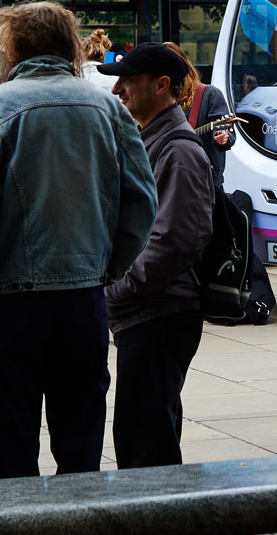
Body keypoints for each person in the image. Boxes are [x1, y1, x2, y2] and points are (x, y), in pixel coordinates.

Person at [0, 1, 156, 479]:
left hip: (10, 310)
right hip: (83, 304)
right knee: (80, 450)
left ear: (13, 47)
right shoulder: (106, 107)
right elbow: (142, 203)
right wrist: (105, 267)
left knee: (10, 452)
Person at [98, 43, 213, 468]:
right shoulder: (153, 140)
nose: (116, 89)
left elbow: (175, 242)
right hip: (145, 313)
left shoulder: (179, 150)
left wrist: (116, 291)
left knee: (144, 440)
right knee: (146, 431)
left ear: (162, 85)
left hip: (158, 314)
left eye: (127, 80)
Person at [164, 41, 235, 184]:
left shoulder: (209, 95)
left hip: (204, 184)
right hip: (168, 181)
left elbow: (226, 132)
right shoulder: (161, 99)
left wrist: (222, 137)